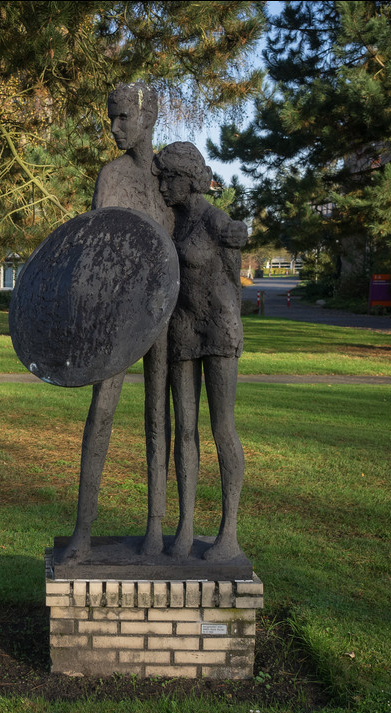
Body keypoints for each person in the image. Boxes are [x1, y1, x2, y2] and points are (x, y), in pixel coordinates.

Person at [59, 82, 175, 564]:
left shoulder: (170, 178)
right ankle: (83, 532)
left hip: (164, 314)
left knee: (158, 417)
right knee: (101, 414)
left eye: (124, 117)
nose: (114, 127)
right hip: (117, 316)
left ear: (148, 118)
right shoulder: (111, 177)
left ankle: (156, 529)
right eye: (112, 117)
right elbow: (95, 250)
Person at [158, 141, 248, 561]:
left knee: (221, 428)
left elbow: (233, 276)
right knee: (185, 430)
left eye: (169, 179)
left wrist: (239, 238)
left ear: (189, 179)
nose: (163, 187)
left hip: (218, 326)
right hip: (183, 328)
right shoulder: (171, 222)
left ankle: (228, 532)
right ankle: (186, 526)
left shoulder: (215, 221)